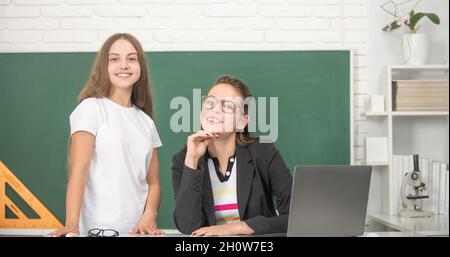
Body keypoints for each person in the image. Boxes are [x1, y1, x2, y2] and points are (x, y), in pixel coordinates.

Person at [48, 33, 163, 237]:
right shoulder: (91, 108)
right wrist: (72, 225)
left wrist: (150, 214)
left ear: (140, 68)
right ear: (104, 66)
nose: (124, 65)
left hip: (136, 231)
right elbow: (79, 170)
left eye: (132, 58)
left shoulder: (146, 122)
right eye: (114, 58)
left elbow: (153, 181)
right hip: (95, 229)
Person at [172, 75, 292, 236]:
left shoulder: (264, 152)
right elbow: (188, 227)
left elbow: (295, 216)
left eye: (227, 106)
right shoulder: (184, 160)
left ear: (242, 122)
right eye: (209, 102)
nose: (214, 109)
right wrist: (192, 162)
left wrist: (238, 228)